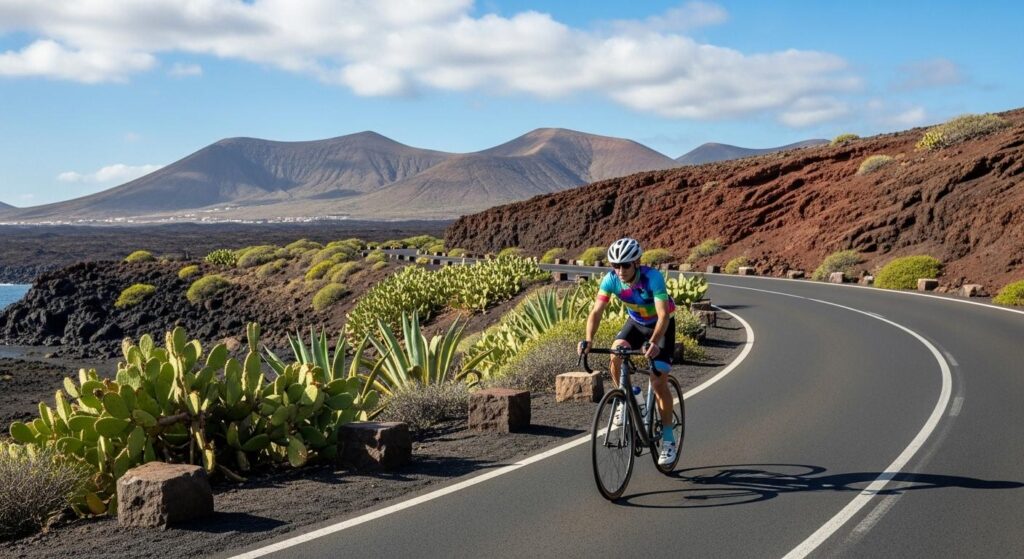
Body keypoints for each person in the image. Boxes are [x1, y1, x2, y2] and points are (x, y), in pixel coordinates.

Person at [577, 237, 678, 466]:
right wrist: (588, 339)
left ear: (637, 262)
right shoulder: (611, 280)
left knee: (658, 381)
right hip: (635, 323)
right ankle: (630, 395)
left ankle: (669, 439)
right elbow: (596, 312)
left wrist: (653, 342)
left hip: (661, 326)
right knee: (615, 352)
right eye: (615, 265)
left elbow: (663, 316)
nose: (620, 270)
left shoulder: (653, 278)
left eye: (625, 265)